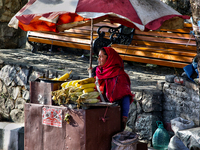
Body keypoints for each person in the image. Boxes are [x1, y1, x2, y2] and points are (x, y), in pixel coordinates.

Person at [93, 47, 134, 130]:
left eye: (101, 57)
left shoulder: (120, 76)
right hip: (96, 112)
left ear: (109, 59)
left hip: (112, 115)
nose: (98, 59)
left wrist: (124, 116)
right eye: (98, 56)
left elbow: (125, 96)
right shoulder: (96, 71)